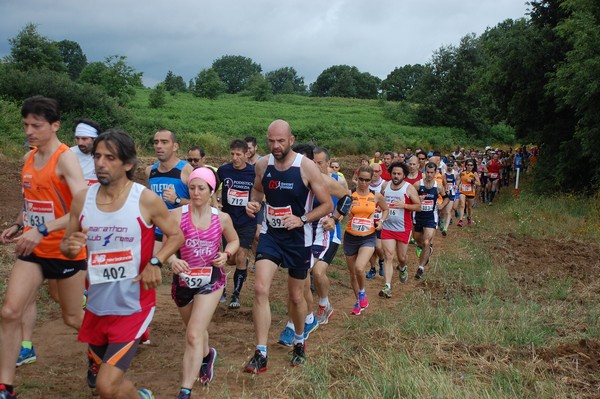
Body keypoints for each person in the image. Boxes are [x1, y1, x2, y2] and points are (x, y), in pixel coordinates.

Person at [61, 129, 184, 399]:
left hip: (133, 306)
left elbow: (176, 235)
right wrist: (69, 248)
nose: (101, 163)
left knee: (106, 385)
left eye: (110, 158)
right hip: (95, 305)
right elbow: (68, 244)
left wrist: (155, 261)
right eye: (97, 156)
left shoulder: (144, 199)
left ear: (128, 164)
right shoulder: (83, 199)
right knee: (106, 386)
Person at [0, 96, 88, 399]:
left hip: (66, 249)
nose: (28, 131)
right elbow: (33, 204)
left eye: (35, 125)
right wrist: (17, 225)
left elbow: (82, 204)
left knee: (72, 318)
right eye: (25, 124)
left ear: (55, 125)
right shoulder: (28, 158)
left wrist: (41, 229)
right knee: (10, 311)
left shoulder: (65, 158)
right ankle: (5, 387)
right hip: (34, 251)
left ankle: (102, 352)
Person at [243, 120, 332, 373]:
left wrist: (301, 219)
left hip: (298, 239)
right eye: (271, 141)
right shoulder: (263, 164)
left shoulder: (306, 168)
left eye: (281, 141)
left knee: (295, 297)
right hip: (272, 235)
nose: (276, 146)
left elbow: (327, 205)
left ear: (291, 140)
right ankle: (261, 352)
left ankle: (300, 342)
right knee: (260, 288)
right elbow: (258, 191)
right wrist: (254, 204)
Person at [168, 167, 239, 399]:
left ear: (211, 191)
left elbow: (234, 240)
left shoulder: (222, 218)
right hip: (183, 282)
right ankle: (207, 355)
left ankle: (185, 391)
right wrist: (172, 259)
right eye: (192, 188)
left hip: (211, 280)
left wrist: (226, 255)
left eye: (201, 188)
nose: (196, 193)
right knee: (194, 331)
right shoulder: (177, 215)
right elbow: (164, 244)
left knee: (193, 334)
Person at [340, 165, 388, 315]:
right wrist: (342, 215)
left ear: (371, 179)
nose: (363, 183)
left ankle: (362, 293)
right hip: (350, 237)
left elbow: (385, 209)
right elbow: (341, 211)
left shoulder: (376, 196)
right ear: (357, 178)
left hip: (368, 237)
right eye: (361, 179)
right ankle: (358, 300)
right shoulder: (350, 193)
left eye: (367, 180)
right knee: (352, 274)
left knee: (359, 268)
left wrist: (381, 222)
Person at [217, 139, 255, 309]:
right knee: (228, 258)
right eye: (232, 154)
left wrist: (256, 204)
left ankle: (235, 295)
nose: (235, 158)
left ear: (247, 154)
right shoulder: (224, 170)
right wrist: (214, 201)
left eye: (238, 154)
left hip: (247, 221)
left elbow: (261, 193)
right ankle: (221, 286)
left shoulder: (253, 173)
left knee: (240, 255)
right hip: (227, 220)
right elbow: (211, 187)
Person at [379, 162, 421, 297]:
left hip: (403, 227)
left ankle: (403, 267)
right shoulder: (385, 186)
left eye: (399, 174)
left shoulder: (408, 188)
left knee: (402, 257)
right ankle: (387, 286)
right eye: (394, 173)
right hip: (387, 226)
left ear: (404, 175)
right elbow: (379, 200)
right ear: (390, 173)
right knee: (389, 256)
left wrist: (404, 205)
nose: (396, 176)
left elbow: (418, 206)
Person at [146, 129, 193, 244]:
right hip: (158, 229)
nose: (159, 146)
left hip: (183, 231)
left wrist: (177, 200)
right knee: (153, 261)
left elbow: (202, 204)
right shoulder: (150, 171)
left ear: (175, 146)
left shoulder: (187, 170)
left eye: (164, 142)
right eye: (156, 142)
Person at [412, 162, 440, 279]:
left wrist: (442, 205)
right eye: (427, 172)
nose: (429, 175)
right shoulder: (417, 185)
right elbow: (409, 198)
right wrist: (417, 199)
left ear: (435, 173)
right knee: (419, 241)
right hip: (418, 216)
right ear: (424, 172)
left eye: (431, 172)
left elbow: (447, 197)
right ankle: (427, 250)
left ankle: (420, 267)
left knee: (426, 242)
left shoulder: (438, 186)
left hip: (430, 217)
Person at [71, 118, 102, 185]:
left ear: (94, 139)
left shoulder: (105, 155)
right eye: (77, 138)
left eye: (84, 139)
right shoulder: (69, 155)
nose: (80, 143)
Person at [458, 159, 481, 226]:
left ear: (473, 166)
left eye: (471, 165)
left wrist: (471, 181)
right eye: (468, 165)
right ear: (466, 165)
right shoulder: (462, 172)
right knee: (462, 205)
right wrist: (457, 185)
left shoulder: (474, 173)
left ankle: (469, 218)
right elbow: (459, 179)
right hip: (462, 191)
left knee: (469, 208)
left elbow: (479, 183)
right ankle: (461, 220)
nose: (469, 166)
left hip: (471, 193)